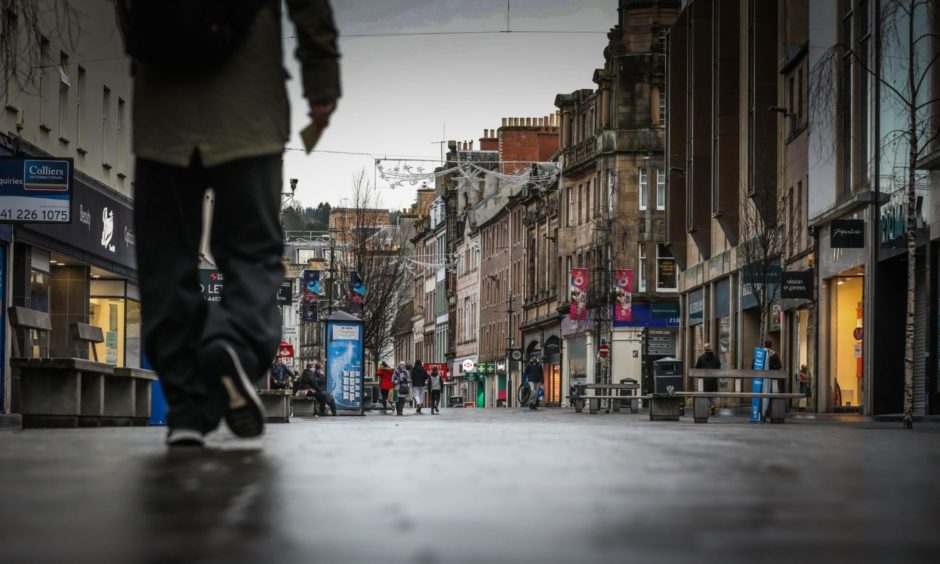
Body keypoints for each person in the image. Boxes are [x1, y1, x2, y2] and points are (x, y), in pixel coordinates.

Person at [129, 1, 341, 446]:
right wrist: (321, 78)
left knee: (165, 261)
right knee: (253, 254)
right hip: (248, 107)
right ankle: (234, 347)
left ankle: (187, 407)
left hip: (162, 105)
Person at [694, 343, 722, 415]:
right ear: (711, 349)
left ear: (704, 349)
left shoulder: (701, 357)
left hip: (704, 380)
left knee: (706, 393)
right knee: (711, 392)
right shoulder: (716, 358)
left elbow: (696, 368)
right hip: (713, 380)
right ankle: (712, 404)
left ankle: (710, 404)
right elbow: (719, 368)